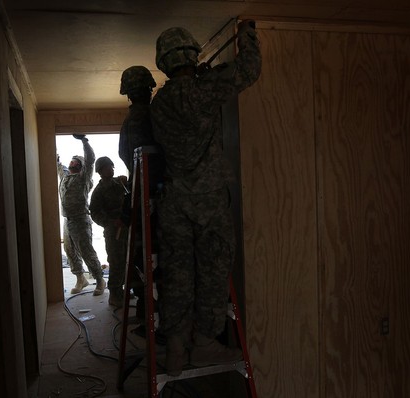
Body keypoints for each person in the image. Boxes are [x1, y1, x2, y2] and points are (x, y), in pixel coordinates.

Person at [150, 20, 262, 376]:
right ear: (191, 54)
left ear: (165, 62)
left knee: (178, 273)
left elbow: (184, 103)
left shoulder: (158, 102)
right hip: (208, 198)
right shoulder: (205, 89)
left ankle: (177, 348)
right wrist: (246, 33)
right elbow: (249, 70)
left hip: (174, 200)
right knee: (213, 271)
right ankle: (204, 345)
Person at [118, 66, 165, 338]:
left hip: (141, 195)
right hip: (155, 197)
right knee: (158, 263)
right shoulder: (151, 116)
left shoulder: (130, 119)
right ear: (149, 89)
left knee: (143, 261)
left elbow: (127, 157)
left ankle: (147, 317)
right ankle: (155, 322)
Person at [57, 134, 106, 296]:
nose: (71, 162)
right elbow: (56, 163)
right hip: (67, 220)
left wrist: (84, 141)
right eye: (71, 160)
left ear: (80, 166)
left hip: (80, 219)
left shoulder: (83, 178)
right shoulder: (65, 176)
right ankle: (80, 278)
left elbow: (91, 159)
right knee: (70, 250)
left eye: (75, 161)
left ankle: (100, 280)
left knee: (86, 251)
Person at [89, 156, 129, 307]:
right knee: (116, 260)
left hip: (126, 226)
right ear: (100, 171)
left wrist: (127, 182)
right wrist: (111, 223)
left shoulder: (118, 183)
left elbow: (128, 196)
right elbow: (95, 213)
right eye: (107, 167)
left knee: (126, 259)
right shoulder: (98, 191)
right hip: (114, 231)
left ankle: (122, 290)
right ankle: (114, 294)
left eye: (111, 166)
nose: (110, 169)